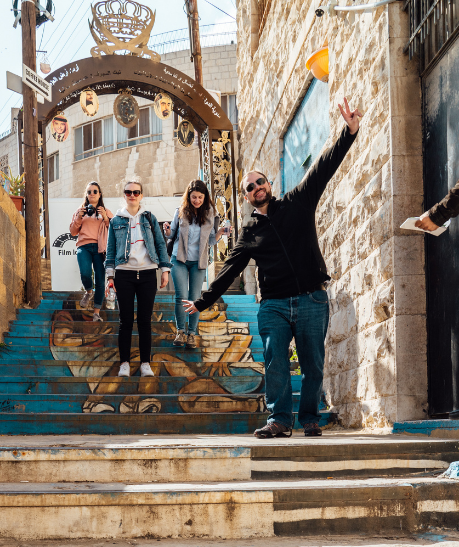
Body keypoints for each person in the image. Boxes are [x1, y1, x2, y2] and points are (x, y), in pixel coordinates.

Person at [180, 97, 364, 439]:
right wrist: (203, 301)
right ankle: (280, 420)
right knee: (276, 362)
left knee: (312, 366)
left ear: (269, 185)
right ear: (247, 196)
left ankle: (309, 417)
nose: (256, 188)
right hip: (274, 306)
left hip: (312, 300)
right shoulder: (249, 232)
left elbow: (323, 166)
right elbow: (229, 270)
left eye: (260, 182)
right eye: (249, 187)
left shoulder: (298, 201)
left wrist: (349, 132)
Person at [106, 181, 171, 377]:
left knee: (144, 321)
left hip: (148, 273)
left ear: (141, 195)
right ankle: (124, 363)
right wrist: (110, 276)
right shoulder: (116, 221)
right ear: (124, 194)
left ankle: (145, 363)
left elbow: (160, 244)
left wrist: (165, 270)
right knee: (125, 321)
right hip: (124, 274)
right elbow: (110, 251)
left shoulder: (149, 218)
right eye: (128, 192)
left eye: (136, 192)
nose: (132, 195)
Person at [163, 179, 231, 348]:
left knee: (194, 299)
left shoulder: (210, 214)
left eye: (200, 197)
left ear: (205, 197)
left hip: (198, 262)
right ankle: (180, 332)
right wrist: (167, 231)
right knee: (181, 297)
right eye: (194, 197)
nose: (197, 201)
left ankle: (191, 334)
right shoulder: (180, 211)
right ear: (189, 196)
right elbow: (171, 235)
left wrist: (221, 232)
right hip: (179, 259)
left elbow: (211, 241)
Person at [70, 181, 112, 319]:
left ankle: (96, 313)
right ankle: (88, 291)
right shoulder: (79, 211)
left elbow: (113, 230)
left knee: (100, 280)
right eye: (89, 192)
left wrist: (105, 217)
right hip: (84, 246)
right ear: (86, 195)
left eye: (95, 191)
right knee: (85, 273)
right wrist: (79, 217)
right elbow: (73, 232)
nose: (92, 194)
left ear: (100, 194)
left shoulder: (106, 211)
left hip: (100, 248)